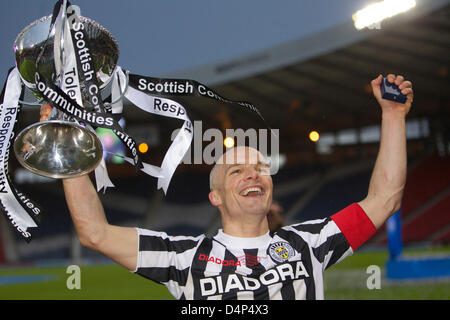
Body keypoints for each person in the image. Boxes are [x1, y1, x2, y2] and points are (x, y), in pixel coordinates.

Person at [55, 74, 412, 299]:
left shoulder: (310, 243)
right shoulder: (182, 256)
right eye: (237, 171)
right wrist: (68, 147)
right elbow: (95, 234)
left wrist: (393, 118)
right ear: (216, 197)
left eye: (260, 168)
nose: (253, 175)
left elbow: (384, 199)